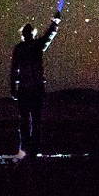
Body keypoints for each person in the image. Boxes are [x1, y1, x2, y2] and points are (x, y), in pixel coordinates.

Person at [9, 9, 62, 158]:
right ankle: (31, 150)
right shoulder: (33, 47)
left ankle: (27, 150)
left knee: (28, 120)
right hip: (33, 88)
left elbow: (14, 70)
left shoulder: (22, 48)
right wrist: (54, 24)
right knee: (31, 120)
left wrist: (14, 87)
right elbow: (48, 37)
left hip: (28, 89)